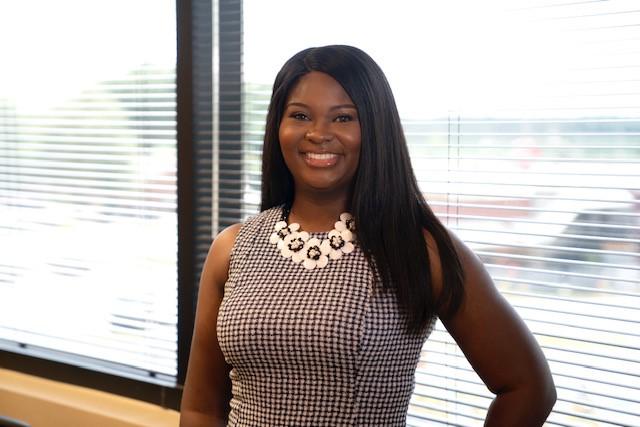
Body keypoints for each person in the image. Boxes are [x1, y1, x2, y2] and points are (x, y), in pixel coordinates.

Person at [180, 45, 556, 426]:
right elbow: (201, 408)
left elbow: (527, 389)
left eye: (343, 118)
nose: (318, 134)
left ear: (375, 127)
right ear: (278, 126)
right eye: (299, 115)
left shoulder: (417, 248)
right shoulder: (234, 247)